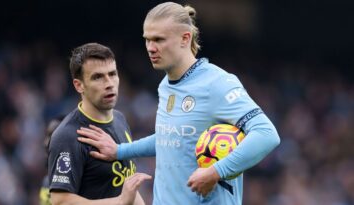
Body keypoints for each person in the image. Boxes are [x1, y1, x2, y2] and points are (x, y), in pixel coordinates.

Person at [77, 2, 280, 205]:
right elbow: (172, 136)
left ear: (185, 38)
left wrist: (216, 171)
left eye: (158, 39)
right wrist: (120, 151)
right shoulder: (166, 85)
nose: (150, 48)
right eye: (147, 40)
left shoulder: (217, 83)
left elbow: (266, 134)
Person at [48, 42, 151, 205]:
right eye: (98, 77)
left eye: (112, 74)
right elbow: (61, 201)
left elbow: (128, 188)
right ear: (79, 85)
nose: (109, 83)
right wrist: (119, 202)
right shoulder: (68, 136)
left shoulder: (120, 120)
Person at [39, 115, 65, 205]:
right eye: (46, 135)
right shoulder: (47, 181)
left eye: (52, 135)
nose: (45, 143)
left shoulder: (83, 181)